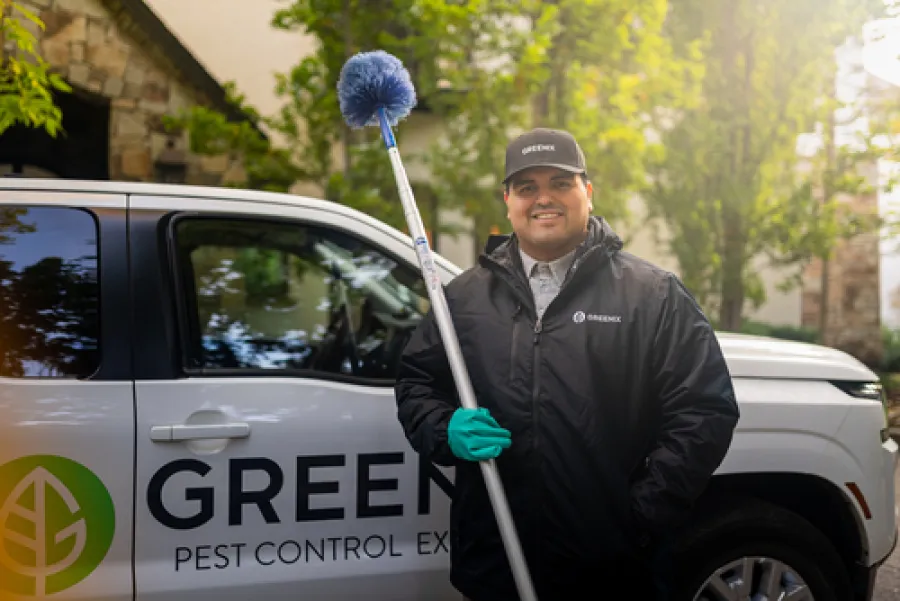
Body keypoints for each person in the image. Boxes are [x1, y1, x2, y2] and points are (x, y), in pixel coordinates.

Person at [394, 127, 740, 601]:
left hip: (613, 572)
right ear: (508, 200)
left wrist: (637, 514)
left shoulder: (651, 295)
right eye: (527, 187)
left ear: (588, 193)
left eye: (560, 182)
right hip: (496, 562)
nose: (544, 199)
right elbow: (417, 382)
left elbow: (705, 410)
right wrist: (443, 427)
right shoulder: (463, 299)